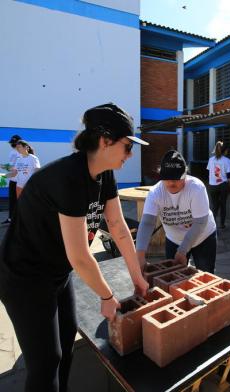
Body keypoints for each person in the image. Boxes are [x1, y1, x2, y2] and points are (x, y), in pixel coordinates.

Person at [0, 103, 150, 392]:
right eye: (127, 146)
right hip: (23, 277)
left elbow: (118, 227)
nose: (131, 154)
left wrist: (137, 278)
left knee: (67, 341)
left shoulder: (104, 174)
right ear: (105, 141)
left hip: (57, 271)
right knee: (45, 362)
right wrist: (107, 296)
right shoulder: (68, 177)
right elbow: (80, 256)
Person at [136, 150, 217, 273]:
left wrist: (182, 250)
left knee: (206, 273)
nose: (171, 182)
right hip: (174, 239)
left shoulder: (196, 188)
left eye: (176, 178)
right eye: (167, 178)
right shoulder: (155, 193)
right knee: (172, 276)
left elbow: (200, 223)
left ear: (185, 175)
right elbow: (147, 223)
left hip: (203, 237)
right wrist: (140, 255)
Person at [206, 141, 230, 229]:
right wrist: (229, 186)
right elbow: (229, 177)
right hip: (223, 186)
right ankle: (222, 224)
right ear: (225, 151)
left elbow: (210, 172)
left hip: (212, 186)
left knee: (214, 206)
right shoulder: (227, 161)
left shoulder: (211, 160)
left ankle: (213, 224)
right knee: (223, 205)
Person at [1, 134, 21, 224]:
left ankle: (16, 219)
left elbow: (14, 168)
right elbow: (11, 167)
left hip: (18, 181)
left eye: (14, 143)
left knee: (16, 200)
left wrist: (4, 175)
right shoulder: (14, 153)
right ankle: (12, 219)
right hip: (16, 180)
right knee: (14, 200)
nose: (13, 145)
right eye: (12, 143)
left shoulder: (18, 153)